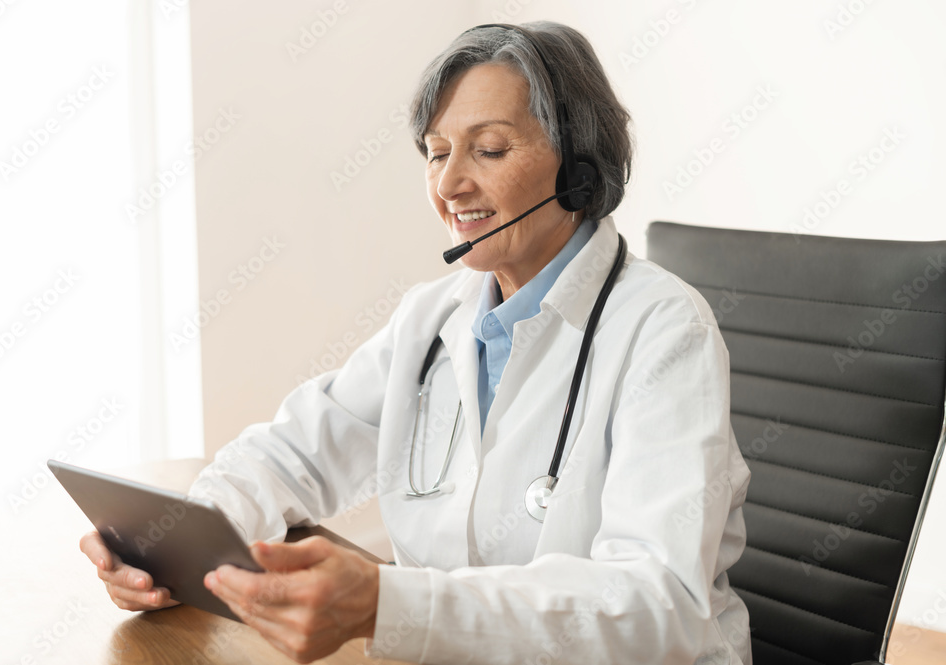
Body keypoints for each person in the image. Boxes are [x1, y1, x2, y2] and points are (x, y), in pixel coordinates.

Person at [81, 21, 751, 664]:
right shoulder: (432, 319)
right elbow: (292, 454)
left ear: (578, 167)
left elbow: (657, 605)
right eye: (436, 152)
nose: (450, 184)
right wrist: (176, 545)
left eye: (489, 149)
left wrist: (390, 602)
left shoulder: (664, 331)